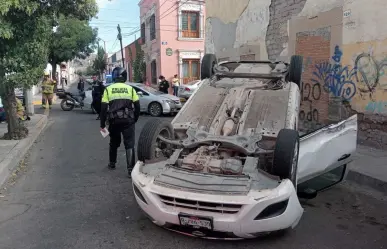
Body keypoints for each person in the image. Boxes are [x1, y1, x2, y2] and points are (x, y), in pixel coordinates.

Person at [100, 67, 140, 176]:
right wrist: (135, 118)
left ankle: (112, 163)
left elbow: (103, 109)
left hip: (114, 121)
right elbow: (137, 105)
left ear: (114, 76)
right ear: (125, 76)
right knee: (129, 144)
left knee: (113, 143)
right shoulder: (130, 89)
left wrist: (102, 124)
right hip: (128, 121)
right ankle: (130, 169)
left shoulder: (108, 89)